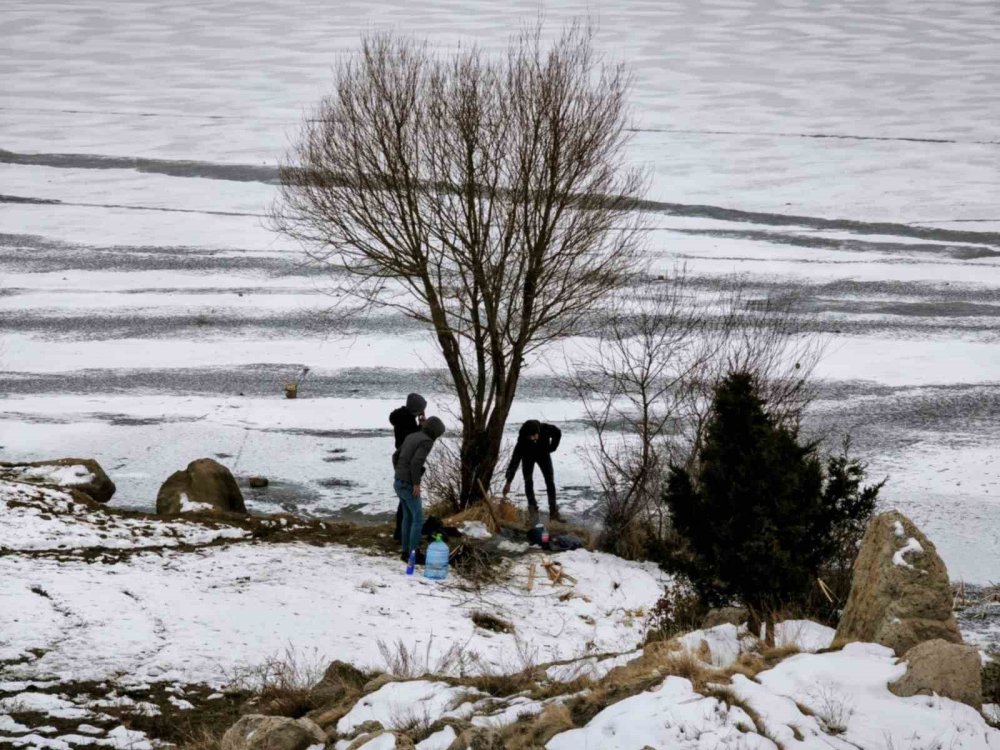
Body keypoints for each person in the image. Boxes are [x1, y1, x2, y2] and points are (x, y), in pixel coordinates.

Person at [394, 415, 446, 563]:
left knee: (407, 518)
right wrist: (416, 483)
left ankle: (405, 552)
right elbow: (416, 463)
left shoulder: (412, 436)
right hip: (408, 485)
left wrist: (399, 474)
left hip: (398, 482)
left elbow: (395, 456)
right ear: (434, 433)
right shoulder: (426, 441)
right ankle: (413, 554)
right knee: (417, 518)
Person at [503, 419, 563, 523]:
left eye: (535, 436)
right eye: (531, 437)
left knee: (550, 482)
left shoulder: (545, 429)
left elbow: (558, 432)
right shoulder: (522, 441)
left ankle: (553, 513)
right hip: (528, 457)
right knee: (528, 482)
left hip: (543, 454)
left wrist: (551, 448)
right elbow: (514, 461)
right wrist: (508, 481)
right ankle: (533, 511)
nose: (533, 438)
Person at [389, 393, 426, 541]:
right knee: (408, 497)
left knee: (403, 499)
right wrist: (422, 428)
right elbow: (412, 441)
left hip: (401, 460)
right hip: (407, 462)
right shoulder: (407, 422)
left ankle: (401, 532)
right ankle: (403, 532)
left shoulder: (402, 417)